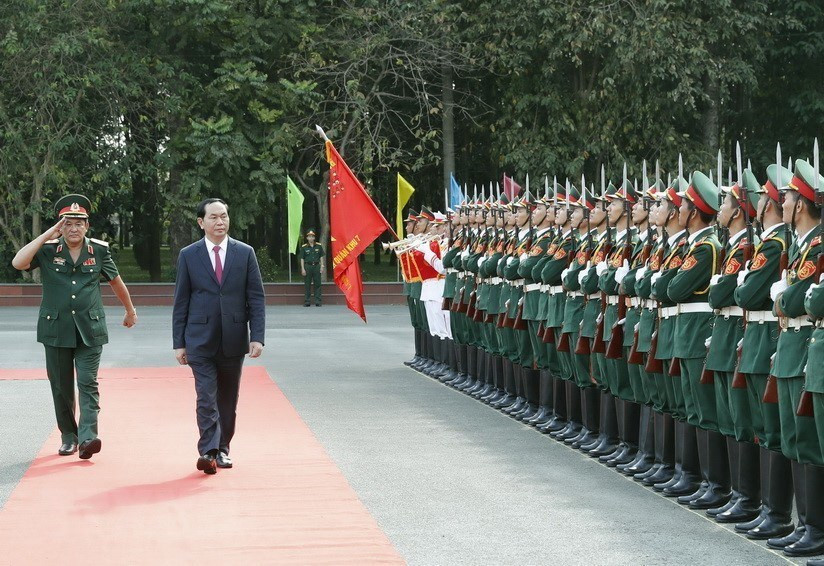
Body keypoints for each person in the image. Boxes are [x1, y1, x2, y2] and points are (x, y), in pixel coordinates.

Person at [11, 194, 137, 460]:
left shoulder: (99, 251)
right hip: (55, 329)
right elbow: (18, 262)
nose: (73, 228)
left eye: (79, 223)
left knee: (88, 382)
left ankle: (88, 438)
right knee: (61, 386)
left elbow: (116, 281)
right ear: (60, 226)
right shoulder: (47, 250)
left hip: (90, 329)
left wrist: (130, 310)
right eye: (67, 223)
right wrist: (47, 234)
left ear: (87, 226)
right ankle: (69, 436)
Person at [172, 198, 266, 475]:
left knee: (227, 398)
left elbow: (256, 298)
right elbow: (181, 300)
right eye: (213, 217)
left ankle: (223, 449)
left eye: (224, 216)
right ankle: (208, 451)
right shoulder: (189, 255)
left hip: (234, 338)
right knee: (205, 396)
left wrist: (257, 336)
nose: (220, 222)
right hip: (199, 339)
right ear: (201, 223)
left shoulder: (245, 253)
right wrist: (179, 342)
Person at [299, 230, 324, 307]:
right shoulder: (304, 247)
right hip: (308, 266)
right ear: (307, 238)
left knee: (317, 284)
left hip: (316, 266)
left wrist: (322, 266)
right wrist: (303, 268)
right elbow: (302, 258)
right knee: (307, 284)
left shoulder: (319, 246)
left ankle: (318, 301)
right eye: (309, 236)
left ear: (314, 238)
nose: (311, 238)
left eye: (312, 236)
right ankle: (307, 301)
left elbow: (321, 256)